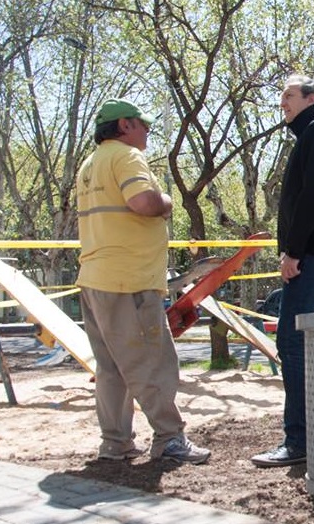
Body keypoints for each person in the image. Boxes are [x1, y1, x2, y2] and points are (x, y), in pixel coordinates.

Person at [76, 98, 210, 464]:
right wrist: (165, 201)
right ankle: (169, 438)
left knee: (111, 368)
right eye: (142, 124)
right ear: (124, 125)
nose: (148, 130)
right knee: (152, 361)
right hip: (129, 280)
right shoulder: (126, 156)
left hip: (95, 278)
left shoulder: (90, 164)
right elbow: (143, 203)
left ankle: (115, 443)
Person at [251, 75, 314, 467]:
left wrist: (293, 252)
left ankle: (298, 441)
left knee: (292, 342)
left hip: (313, 257)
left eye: (289, 96)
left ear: (311, 99)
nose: (283, 103)